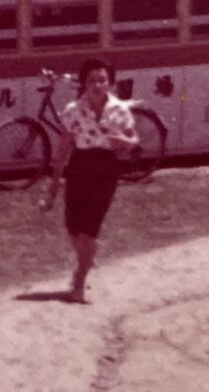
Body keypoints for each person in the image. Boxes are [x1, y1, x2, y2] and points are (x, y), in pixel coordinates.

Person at [42, 58, 140, 303]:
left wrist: (124, 142)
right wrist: (53, 186)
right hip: (79, 166)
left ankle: (79, 282)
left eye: (102, 80)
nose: (97, 85)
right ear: (84, 83)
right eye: (91, 80)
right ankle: (87, 258)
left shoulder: (120, 109)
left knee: (89, 229)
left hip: (106, 169)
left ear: (110, 82)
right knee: (73, 228)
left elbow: (134, 141)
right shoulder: (73, 110)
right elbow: (63, 148)